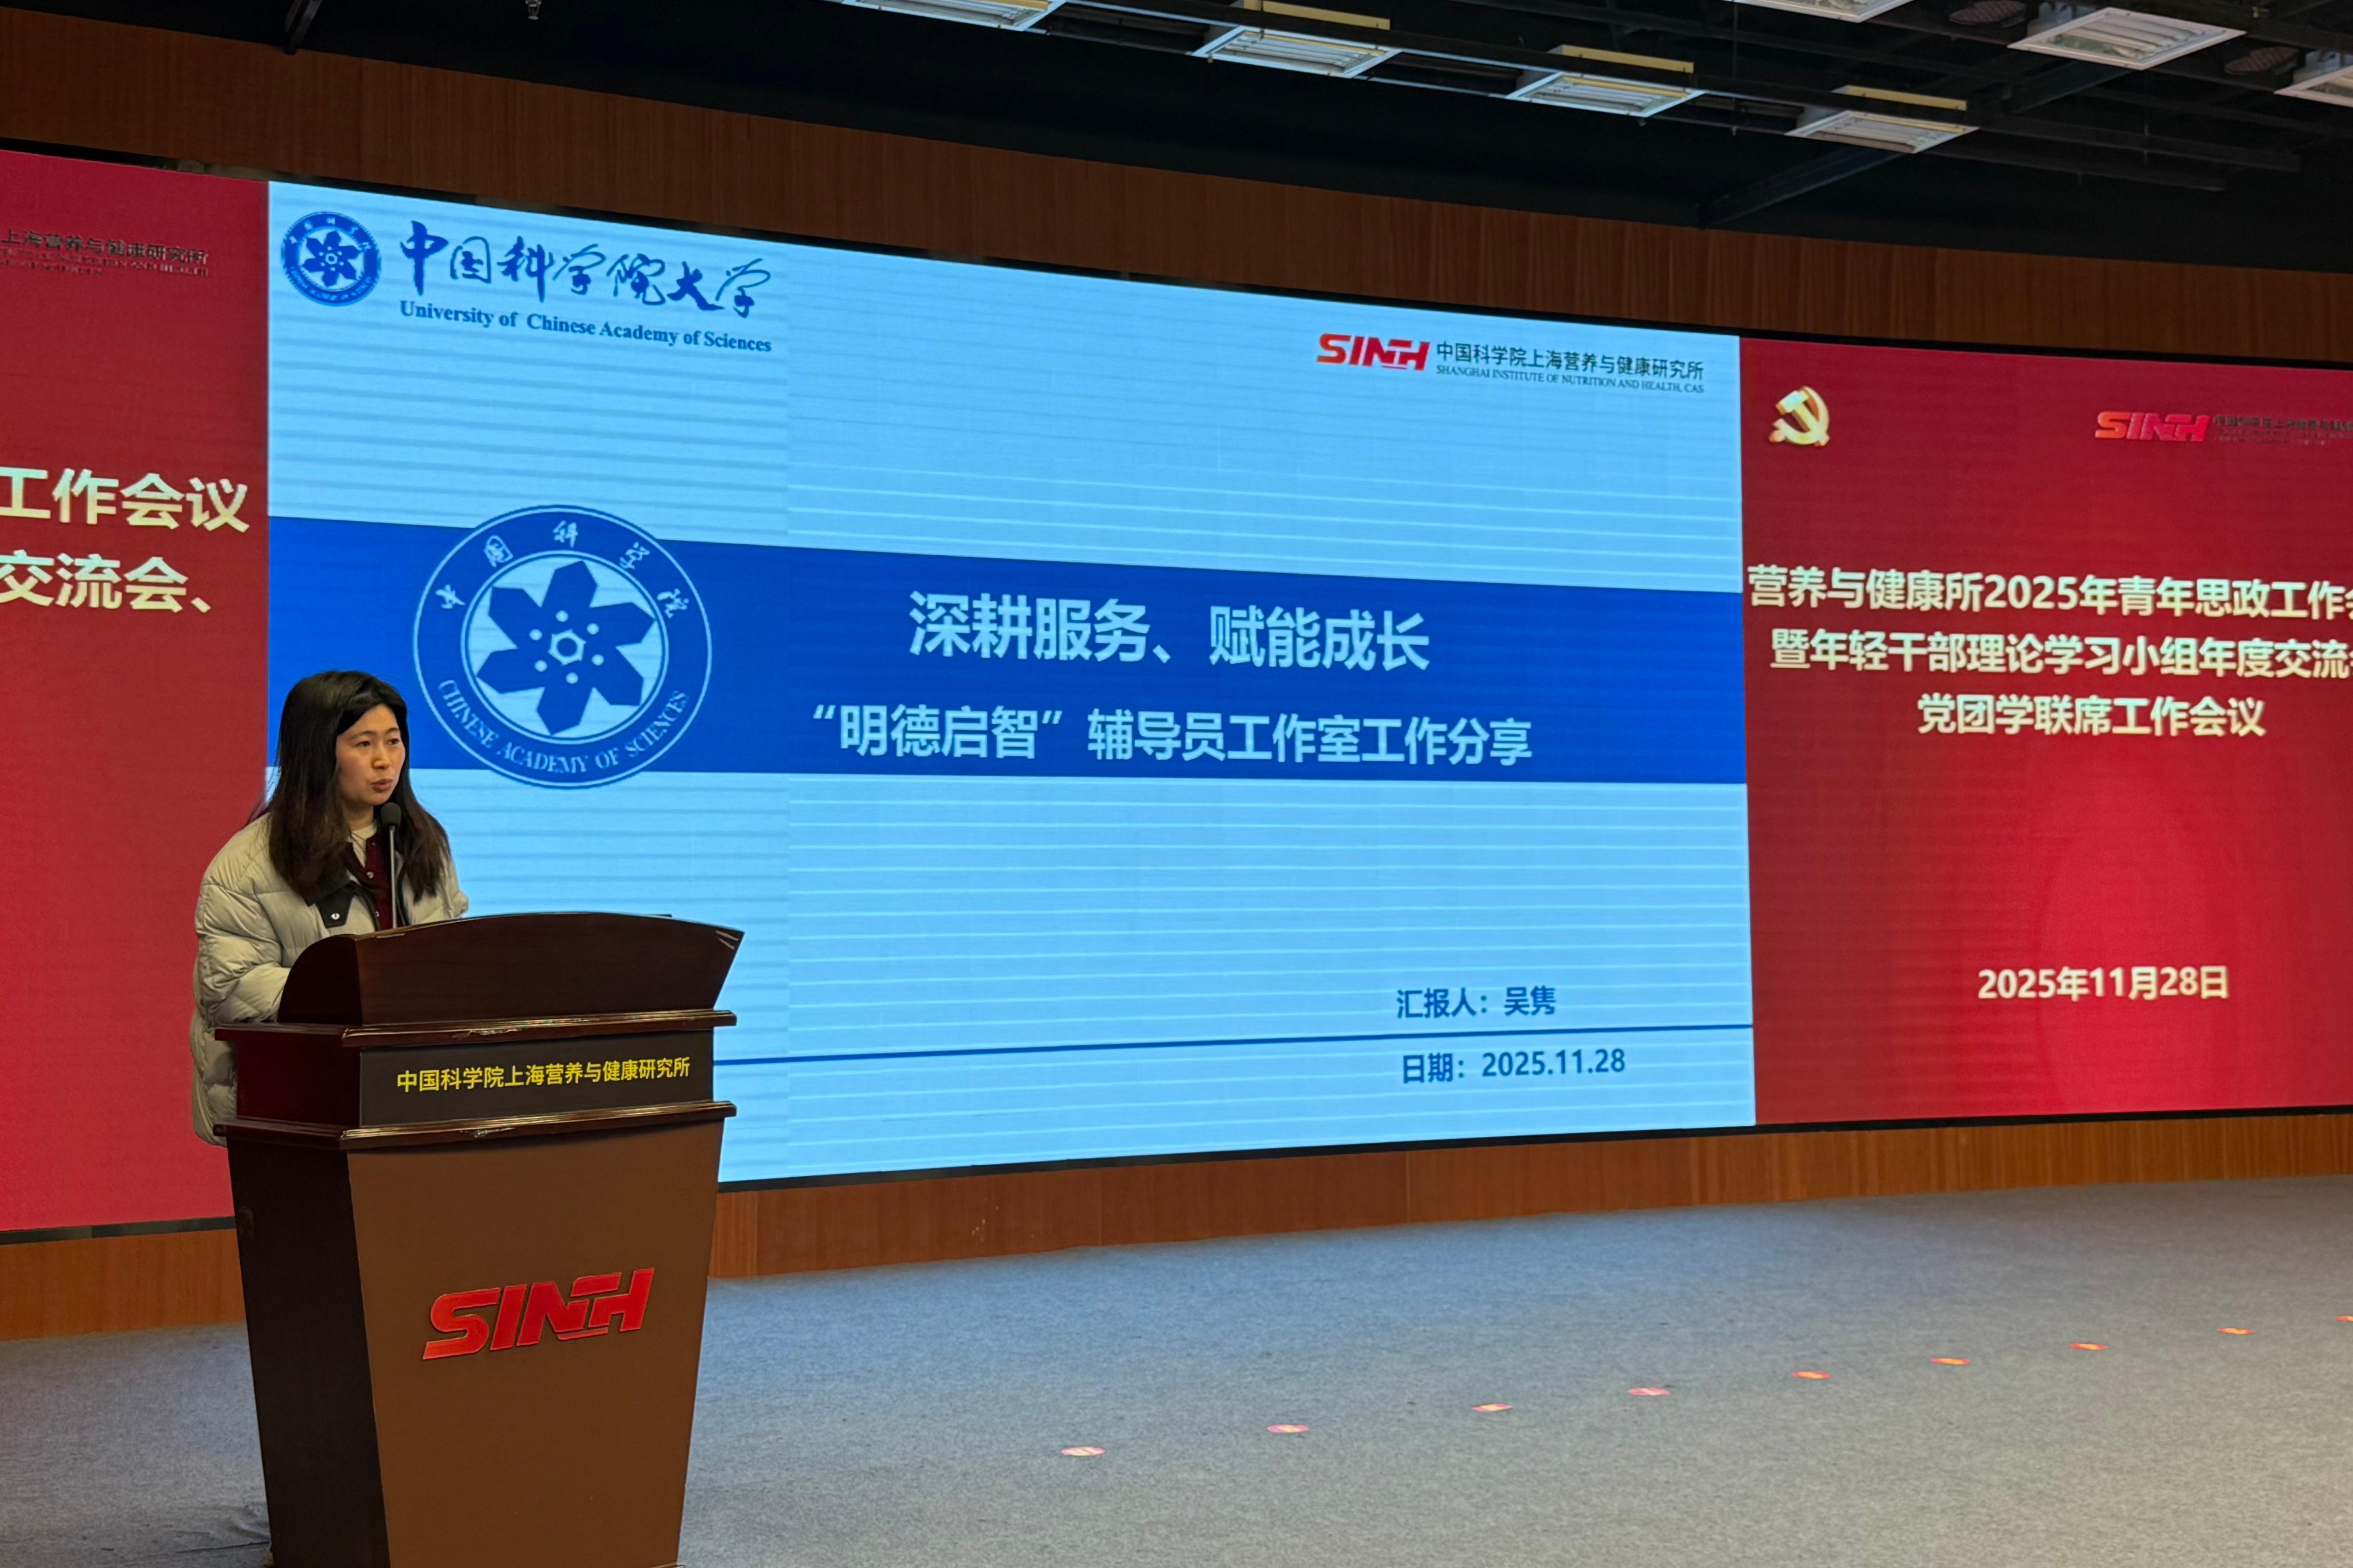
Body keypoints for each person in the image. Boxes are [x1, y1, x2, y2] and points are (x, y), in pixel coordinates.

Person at [188, 671, 468, 1142]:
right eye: (364, 744)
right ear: (318, 752)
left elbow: (451, 951)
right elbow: (233, 989)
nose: (384, 761)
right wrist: (355, 994)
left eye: (394, 741)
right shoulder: (249, 865)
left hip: (408, 1088)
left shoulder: (420, 841)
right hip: (297, 1099)